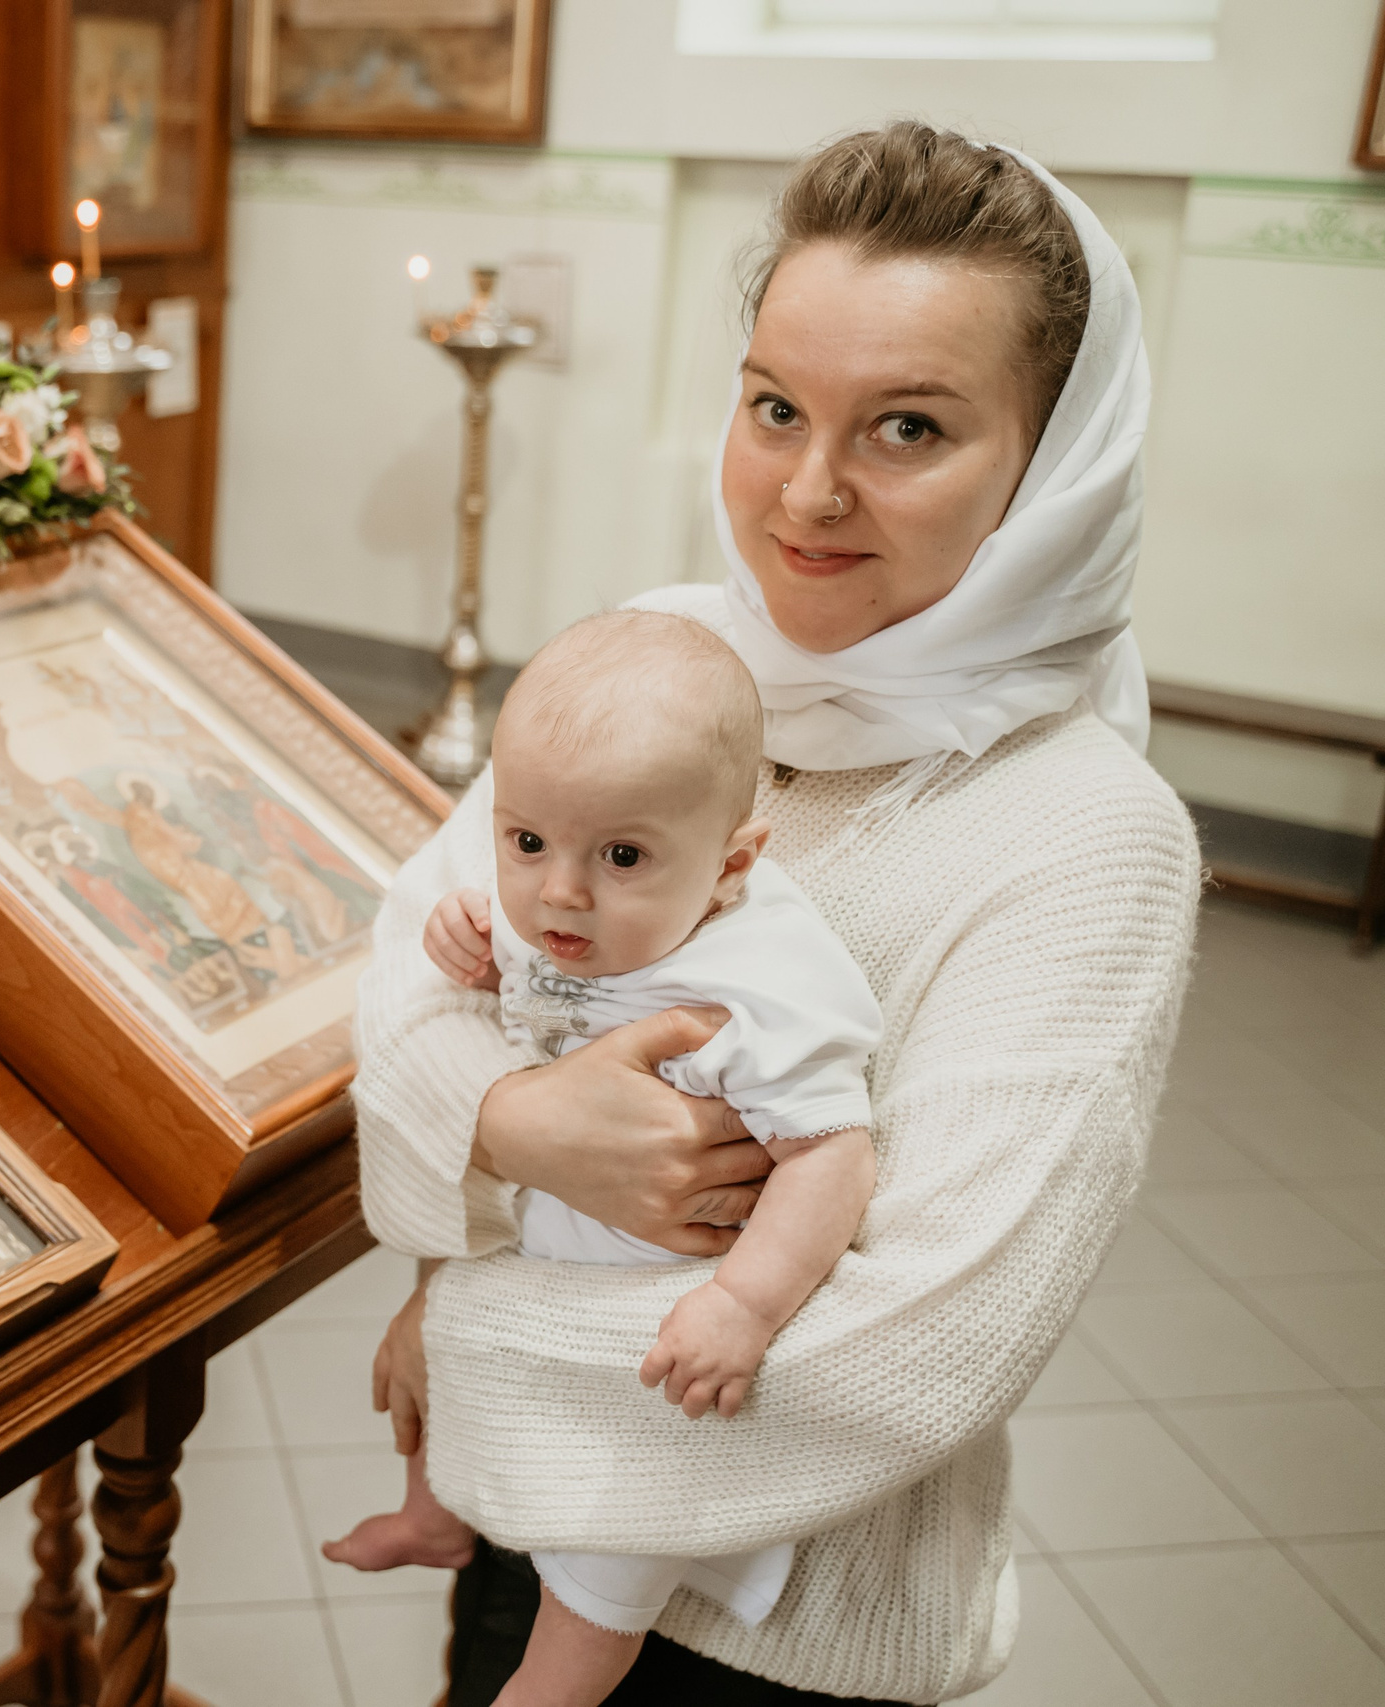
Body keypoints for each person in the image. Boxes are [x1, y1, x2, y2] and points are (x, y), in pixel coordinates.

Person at [353, 123, 1198, 1706]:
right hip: (527, 1525)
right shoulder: (662, 660)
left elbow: (913, 1348)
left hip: (778, 1635)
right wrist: (519, 1118)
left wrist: (463, 1324)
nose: (808, 489)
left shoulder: (1087, 834)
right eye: (774, 407)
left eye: (909, 427)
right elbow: (409, 987)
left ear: (1050, 459)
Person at [325, 614, 882, 1706]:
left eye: (619, 857)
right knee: (442, 1367)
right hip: (537, 1252)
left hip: (656, 1329)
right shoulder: (565, 914)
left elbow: (833, 1155)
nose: (559, 894)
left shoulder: (763, 984)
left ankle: (552, 1689)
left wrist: (745, 1307)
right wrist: (469, 955)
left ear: (731, 865)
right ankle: (434, 1513)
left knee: (610, 1543)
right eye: (525, 843)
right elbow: (492, 999)